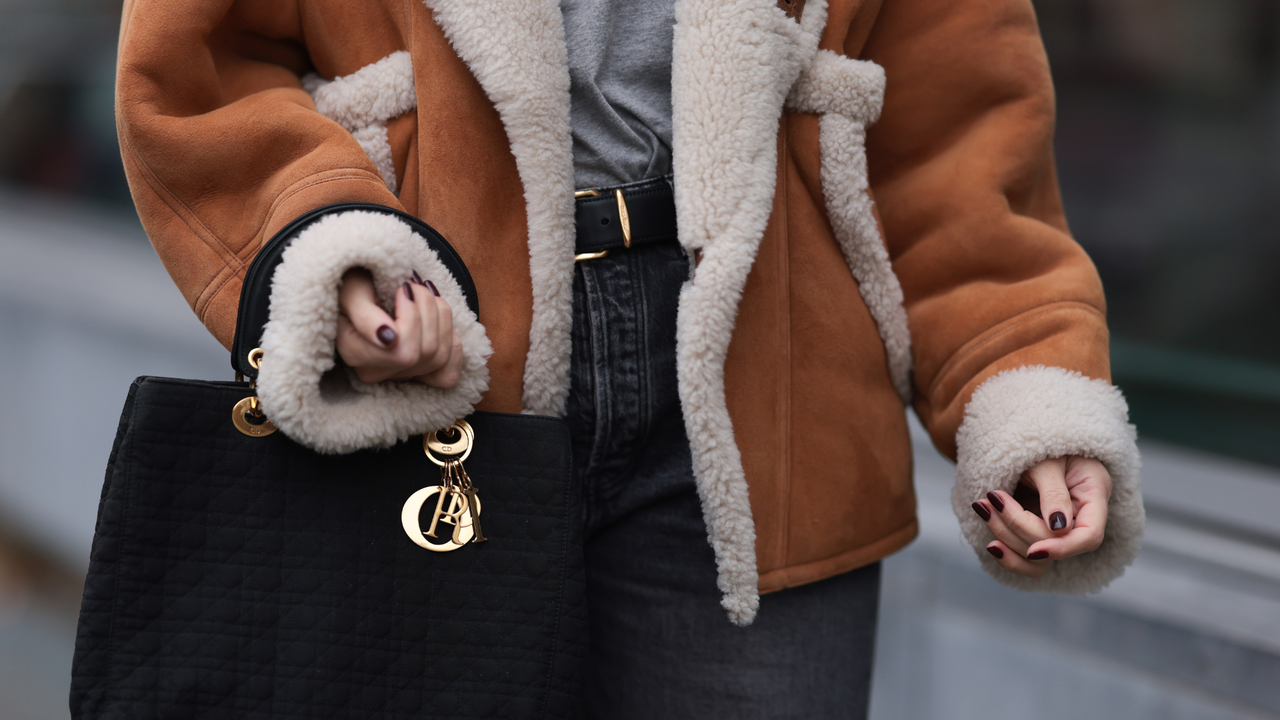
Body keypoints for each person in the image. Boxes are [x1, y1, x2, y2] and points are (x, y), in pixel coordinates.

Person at [115, 0, 1143, 716]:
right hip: (441, 366)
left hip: (772, 393)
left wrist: (1019, 380)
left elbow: (950, 132)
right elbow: (197, 64)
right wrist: (331, 243)